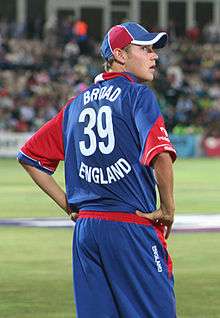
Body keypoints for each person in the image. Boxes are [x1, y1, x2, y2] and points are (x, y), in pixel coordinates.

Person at [17, 22, 177, 318]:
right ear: (120, 55)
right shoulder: (137, 96)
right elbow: (161, 155)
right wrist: (168, 209)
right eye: (145, 49)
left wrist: (71, 206)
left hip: (87, 232)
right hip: (131, 226)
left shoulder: (75, 105)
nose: (154, 56)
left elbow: (29, 157)